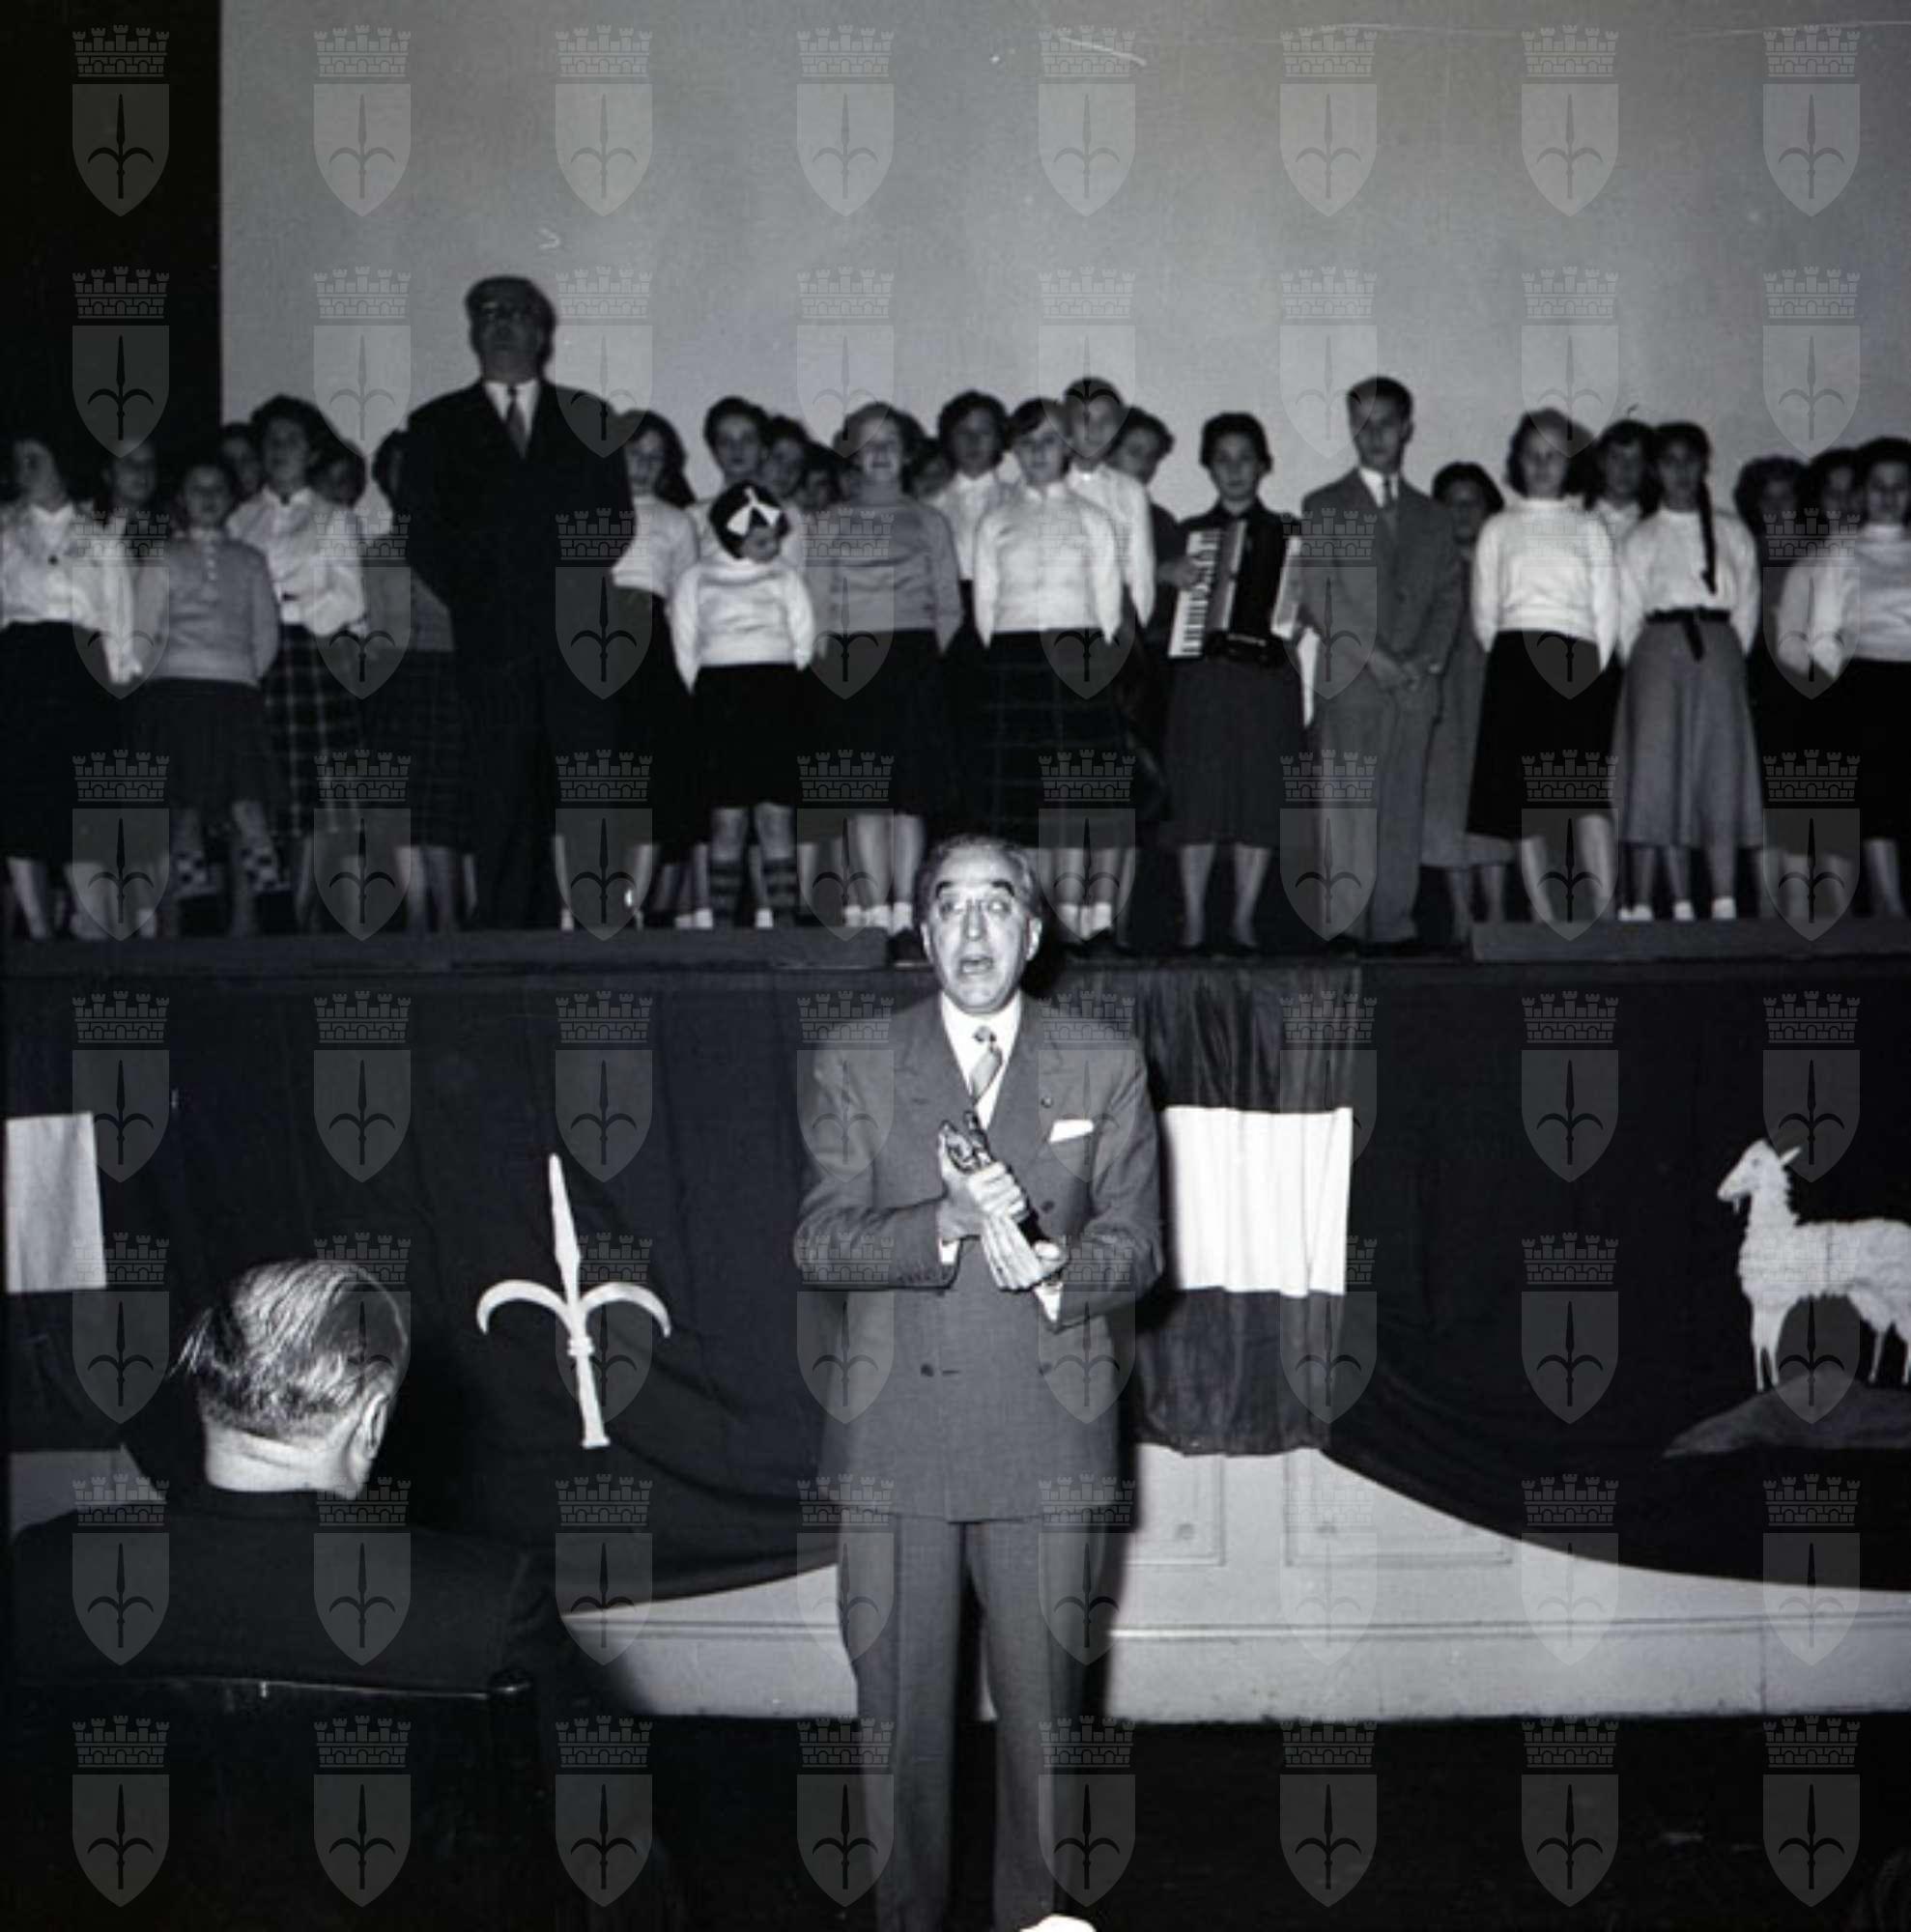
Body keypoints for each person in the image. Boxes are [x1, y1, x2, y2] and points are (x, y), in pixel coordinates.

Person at [10, 1258, 688, 1928]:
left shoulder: (42, 1572)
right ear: (371, 1420)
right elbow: (609, 1839)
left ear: (206, 1394)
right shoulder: (488, 1601)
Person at [792, 834, 1162, 1932]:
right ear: (921, 932)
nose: (971, 928)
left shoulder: (1105, 1061)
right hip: (895, 1447)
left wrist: (1055, 1269)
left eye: (996, 904)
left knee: (1048, 1741)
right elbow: (819, 1242)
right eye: (948, 905)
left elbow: (1140, 1246)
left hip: (1047, 1447)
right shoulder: (856, 1058)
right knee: (897, 1740)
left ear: (1034, 933)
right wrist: (944, 1223)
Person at [403, 275, 633, 927]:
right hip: (490, 635)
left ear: (542, 331)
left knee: (585, 783)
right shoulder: (435, 425)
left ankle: (597, 921)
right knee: (500, 786)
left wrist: (560, 586)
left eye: (518, 311)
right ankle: (508, 932)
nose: (502, 322)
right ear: (473, 331)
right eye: (488, 311)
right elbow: (421, 533)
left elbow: (613, 521)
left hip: (576, 633)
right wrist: (481, 597)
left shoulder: (589, 417)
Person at [1298, 375, 1465, 951]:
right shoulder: (1325, 505)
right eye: (1362, 424)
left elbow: (1449, 596)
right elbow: (1322, 596)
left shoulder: (1434, 516)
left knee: (1400, 804)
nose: (1374, 435)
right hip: (1353, 680)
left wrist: (1425, 660)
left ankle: (1393, 923)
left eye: (1387, 423)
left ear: (1407, 429)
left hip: (1415, 684)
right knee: (1347, 805)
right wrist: (1377, 658)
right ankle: (1344, 925)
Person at [805, 401, 963, 960]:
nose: (879, 454)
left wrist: (922, 661)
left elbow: (949, 605)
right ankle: (871, 914)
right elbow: (817, 604)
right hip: (851, 664)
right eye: (867, 443)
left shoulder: (929, 521)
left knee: (909, 800)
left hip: (912, 660)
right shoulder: (829, 523)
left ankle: (905, 916)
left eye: (890, 442)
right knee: (864, 798)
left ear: (908, 452)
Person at [971, 397, 1126, 946]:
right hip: (1015, 662)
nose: (1038, 452)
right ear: (1013, 450)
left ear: (1068, 448)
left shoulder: (1092, 519)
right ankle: (1038, 918)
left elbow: (1109, 607)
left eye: (1049, 441)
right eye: (1026, 442)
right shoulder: (995, 521)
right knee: (1026, 797)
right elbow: (985, 609)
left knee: (1076, 795)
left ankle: (1081, 915)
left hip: (1078, 657)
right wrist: (1008, 658)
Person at [1466, 407, 1622, 926]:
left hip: (1577, 662)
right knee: (1524, 796)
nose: (1541, 465)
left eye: (1553, 456)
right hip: (1515, 662)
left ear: (1572, 465)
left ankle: (1604, 915)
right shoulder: (1498, 528)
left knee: (1585, 795)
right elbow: (1485, 614)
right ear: (1517, 461)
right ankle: (1544, 915)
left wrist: (1590, 675)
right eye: (1531, 455)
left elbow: (1606, 610)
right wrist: (1516, 658)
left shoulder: (1589, 528)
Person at [1161, 412, 1303, 955]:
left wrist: (1304, 597)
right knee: (1197, 797)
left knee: (1258, 798)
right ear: (1207, 467)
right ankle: (1194, 920)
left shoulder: (1292, 532)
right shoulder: (1187, 533)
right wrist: (1165, 574)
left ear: (1264, 465)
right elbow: (1147, 605)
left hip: (1268, 680)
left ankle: (1244, 919)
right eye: (1223, 459)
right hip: (1204, 677)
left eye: (1246, 458)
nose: (1235, 469)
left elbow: (1306, 612)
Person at [132, 447, 290, 936]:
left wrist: (240, 674)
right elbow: (142, 631)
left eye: (218, 488)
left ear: (232, 498)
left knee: (248, 803)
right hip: (176, 694)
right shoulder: (162, 556)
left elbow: (266, 633)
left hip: (234, 694)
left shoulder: (251, 560)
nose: (208, 497)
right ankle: (196, 903)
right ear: (180, 498)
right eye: (196, 489)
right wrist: (166, 675)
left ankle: (273, 900)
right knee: (184, 806)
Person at [1611, 424, 1762, 922]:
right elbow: (1625, 615)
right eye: (1670, 461)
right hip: (1657, 654)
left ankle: (1723, 897)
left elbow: (1747, 609)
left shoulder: (1732, 532)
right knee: (1657, 772)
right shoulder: (1640, 538)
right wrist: (1651, 662)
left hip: (1718, 651)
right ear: (1656, 470)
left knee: (1720, 772)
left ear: (1704, 465)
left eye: (1690, 460)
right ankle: (1658, 901)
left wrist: (1724, 655)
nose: (1681, 471)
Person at [228, 394, 367, 928]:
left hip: (311, 662)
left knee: (313, 796)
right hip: (250, 661)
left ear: (312, 453)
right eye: (271, 441)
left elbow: (348, 600)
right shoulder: (240, 518)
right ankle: (259, 913)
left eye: (291, 440)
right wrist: (282, 602)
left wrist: (280, 605)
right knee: (257, 793)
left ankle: (302, 915)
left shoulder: (333, 518)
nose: (279, 449)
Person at [1, 425, 134, 938]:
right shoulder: (5, 532)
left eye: (35, 458)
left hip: (82, 670)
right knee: (21, 792)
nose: (24, 470)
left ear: (63, 464)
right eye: (18, 461)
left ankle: (91, 923)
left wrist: (117, 683)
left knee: (83, 794)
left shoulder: (100, 536)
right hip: (21, 668)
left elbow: (119, 614)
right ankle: (37, 927)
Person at [669, 480, 814, 928]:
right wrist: (714, 694)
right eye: (760, 540)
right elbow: (685, 648)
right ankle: (723, 926)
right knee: (726, 819)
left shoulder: (785, 577)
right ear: (732, 537)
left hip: (776, 696)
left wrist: (777, 683)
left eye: (774, 538)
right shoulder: (697, 578)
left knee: (776, 815)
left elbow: (803, 640)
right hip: (721, 701)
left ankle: (784, 921)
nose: (772, 547)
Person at [1784, 435, 1911, 919]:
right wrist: (1844, 690)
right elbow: (1821, 634)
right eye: (1878, 485)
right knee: (1877, 800)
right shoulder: (1841, 551)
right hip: (1866, 685)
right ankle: (1888, 906)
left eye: (1900, 486)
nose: (1889, 496)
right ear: (1862, 492)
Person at [1061, 377, 1155, 950]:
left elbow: (1141, 579)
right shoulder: (1039, 488)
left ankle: (1106, 917)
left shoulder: (1129, 492)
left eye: (1105, 420)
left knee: (1115, 787)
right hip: (1058, 647)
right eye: (1082, 418)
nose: (1092, 431)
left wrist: (1124, 649)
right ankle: (1065, 914)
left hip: (1117, 649)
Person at [363, 429, 466, 930]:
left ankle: (449, 919)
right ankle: (416, 918)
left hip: (448, 675)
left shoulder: (459, 543)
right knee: (399, 804)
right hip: (395, 681)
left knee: (439, 806)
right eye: (398, 471)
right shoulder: (379, 551)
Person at [607, 411, 701, 929]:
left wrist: (684, 680)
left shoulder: (675, 521)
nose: (642, 466)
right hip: (590, 647)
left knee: (648, 787)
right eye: (632, 453)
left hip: (650, 656)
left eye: (654, 458)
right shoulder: (583, 510)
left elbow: (684, 605)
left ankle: (631, 908)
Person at [1419, 462, 1512, 937]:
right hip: (1442, 696)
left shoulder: (1507, 567)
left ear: (1490, 509)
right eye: (1450, 503)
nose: (1461, 512)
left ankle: (1497, 914)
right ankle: (1461, 915)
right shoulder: (1425, 572)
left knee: (1492, 802)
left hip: (1495, 693)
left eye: (1471, 502)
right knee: (1446, 800)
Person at [1580, 416, 1656, 551]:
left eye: (1636, 460)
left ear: (1647, 468)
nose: (1626, 468)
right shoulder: (1578, 513)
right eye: (1617, 458)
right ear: (1601, 462)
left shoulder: (1655, 524)